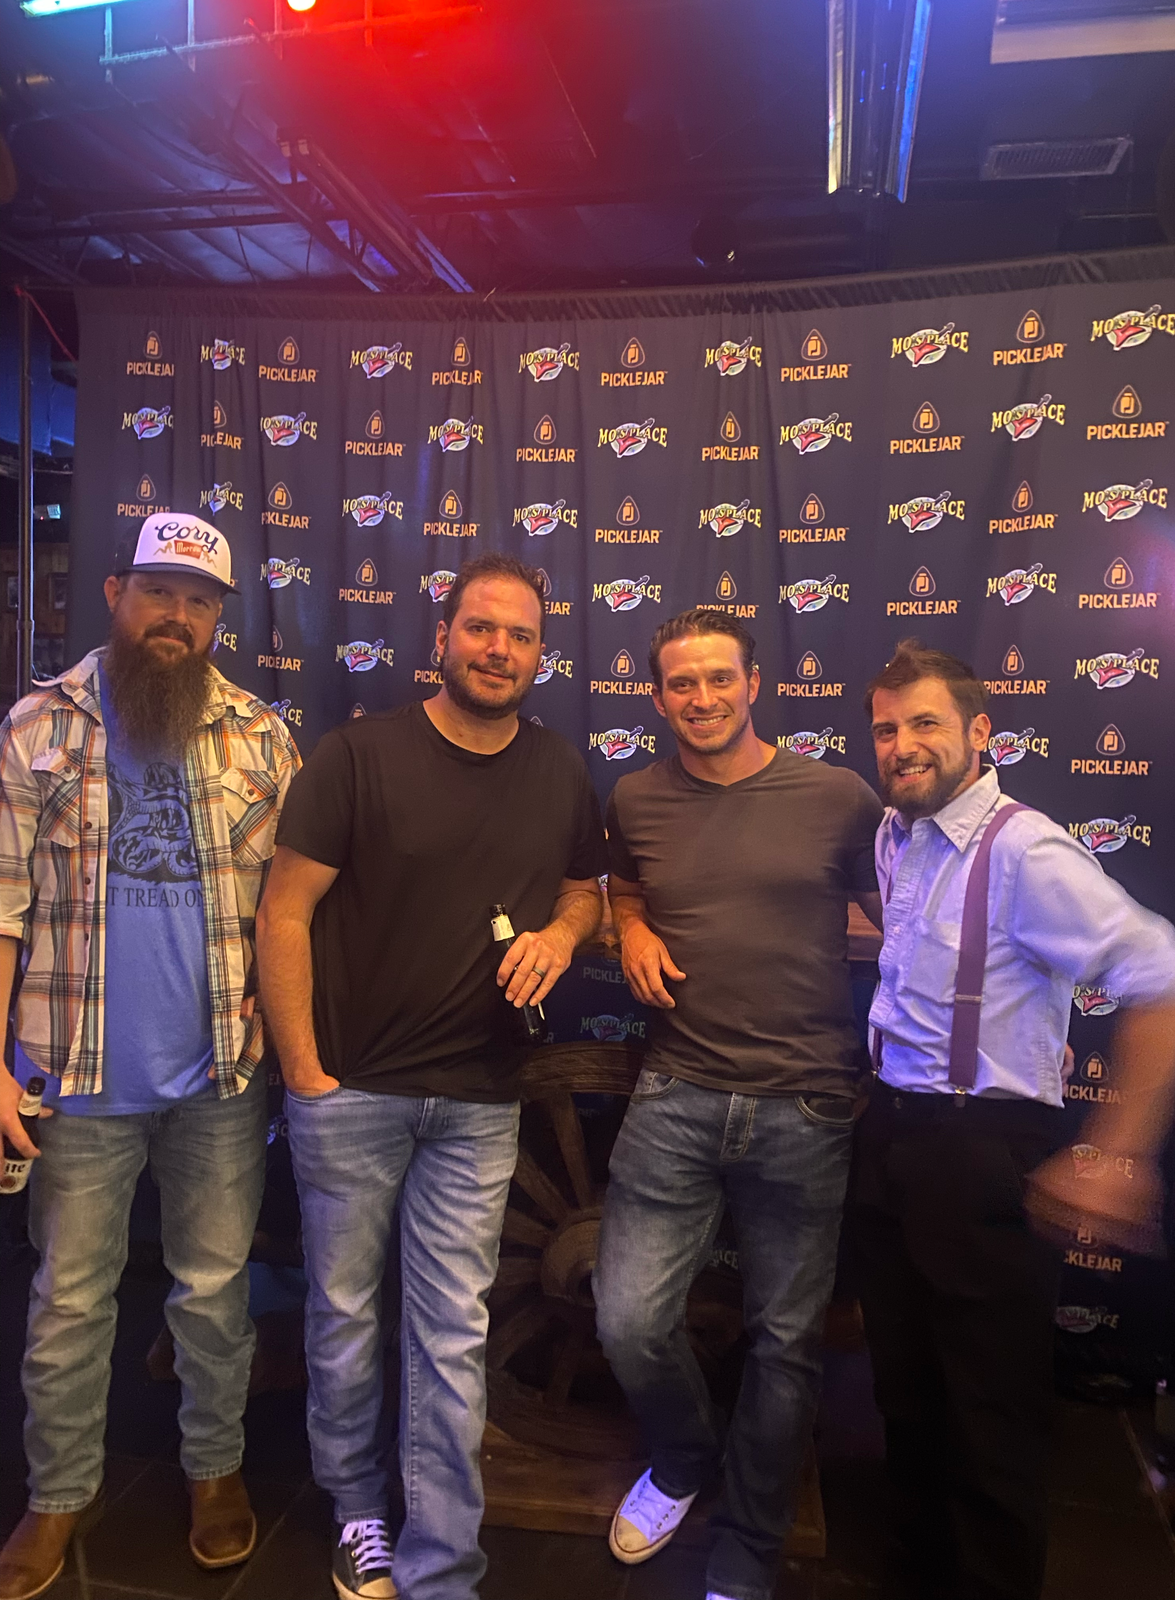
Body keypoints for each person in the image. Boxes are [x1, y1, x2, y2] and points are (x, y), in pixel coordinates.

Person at [255, 552, 606, 1600]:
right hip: (351, 1090)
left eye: (520, 635)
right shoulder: (356, 755)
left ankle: (444, 1563)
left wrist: (560, 932)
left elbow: (588, 892)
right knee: (344, 1318)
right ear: (441, 638)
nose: (499, 649)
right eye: (480, 628)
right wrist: (305, 1074)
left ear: (541, 655)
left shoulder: (559, 770)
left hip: (481, 1102)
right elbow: (284, 913)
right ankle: (360, 1513)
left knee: (453, 1333)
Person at [854, 638, 1175, 1600]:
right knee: (906, 1398)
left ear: (980, 733)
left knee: (990, 1422)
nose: (901, 745)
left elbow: (1171, 981)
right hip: (891, 1134)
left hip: (982, 1150)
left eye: (925, 723)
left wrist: (1119, 1152)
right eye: (885, 728)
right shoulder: (896, 834)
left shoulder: (1025, 850)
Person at [0, 514, 299, 1600]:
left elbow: (293, 907)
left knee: (213, 1293)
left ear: (220, 618)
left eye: (201, 601)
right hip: (73, 1075)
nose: (178, 616)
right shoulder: (38, 724)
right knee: (69, 1302)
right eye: (160, 592)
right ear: (116, 593)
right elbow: (0, 906)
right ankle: (58, 1492)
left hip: (220, 1073)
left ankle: (214, 1470)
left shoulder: (263, 735)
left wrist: (281, 1008)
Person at [592, 608, 884, 1600]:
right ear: (656, 696)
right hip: (675, 1090)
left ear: (755, 684)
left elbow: (906, 915)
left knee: (787, 1341)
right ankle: (684, 1459)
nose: (703, 697)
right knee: (627, 1320)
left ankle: (751, 1546)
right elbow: (623, 887)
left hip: (808, 1105)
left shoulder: (838, 796)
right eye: (682, 682)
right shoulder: (635, 795)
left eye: (721, 678)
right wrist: (632, 927)